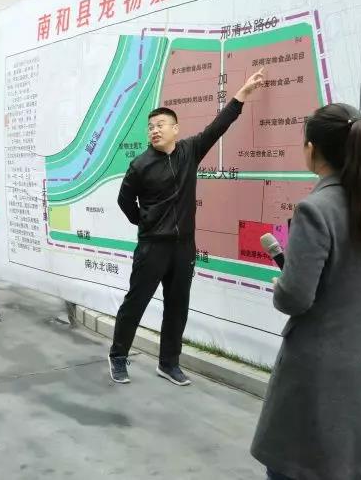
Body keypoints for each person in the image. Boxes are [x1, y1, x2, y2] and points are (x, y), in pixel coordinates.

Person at [251, 103, 361, 480]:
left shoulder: (315, 209)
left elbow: (295, 298)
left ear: (312, 149)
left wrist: (280, 285)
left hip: (319, 376)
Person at [109, 68, 265, 386]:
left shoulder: (190, 151)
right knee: (135, 303)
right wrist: (144, 221)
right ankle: (118, 357)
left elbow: (218, 127)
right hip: (153, 246)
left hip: (184, 248)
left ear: (175, 129)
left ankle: (169, 363)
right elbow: (125, 201)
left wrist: (242, 94)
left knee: (177, 306)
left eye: (160, 125)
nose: (154, 130)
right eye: (151, 126)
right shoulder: (140, 165)